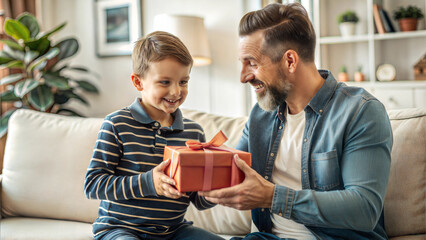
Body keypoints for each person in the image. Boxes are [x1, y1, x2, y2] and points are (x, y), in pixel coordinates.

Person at [200, 3, 393, 240]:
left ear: (290, 61)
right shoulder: (261, 115)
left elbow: (364, 209)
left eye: (251, 63)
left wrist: (271, 197)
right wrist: (178, 178)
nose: (243, 76)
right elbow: (227, 176)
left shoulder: (360, 112)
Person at [84, 31, 224, 240]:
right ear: (138, 82)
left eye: (183, 82)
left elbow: (197, 199)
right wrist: (150, 183)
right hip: (120, 230)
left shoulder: (194, 132)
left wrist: (216, 188)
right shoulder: (116, 124)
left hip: (174, 231)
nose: (176, 92)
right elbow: (93, 185)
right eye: (165, 82)